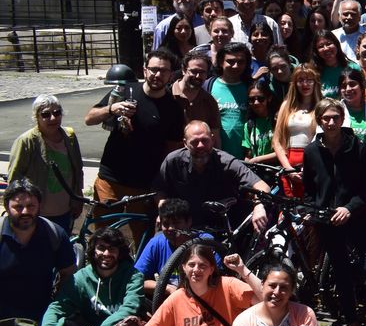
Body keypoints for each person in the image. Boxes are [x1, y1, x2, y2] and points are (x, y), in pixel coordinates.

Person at [84, 49, 185, 240]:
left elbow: (171, 152)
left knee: (142, 239)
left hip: (144, 186)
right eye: (153, 69)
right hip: (111, 179)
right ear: (145, 70)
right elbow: (89, 119)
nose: (157, 75)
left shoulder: (173, 108)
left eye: (163, 71)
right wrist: (112, 108)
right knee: (102, 236)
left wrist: (161, 188)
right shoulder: (125, 91)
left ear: (171, 75)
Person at [302, 99, 366, 326]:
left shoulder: (358, 146)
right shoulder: (312, 151)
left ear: (343, 119)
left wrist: (349, 208)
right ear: (319, 121)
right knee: (340, 269)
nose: (331, 122)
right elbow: (310, 189)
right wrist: (311, 211)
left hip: (356, 216)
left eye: (335, 117)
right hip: (327, 219)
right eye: (326, 118)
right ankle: (350, 318)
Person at [155, 121, 271, 233]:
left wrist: (259, 206)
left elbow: (262, 186)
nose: (200, 146)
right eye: (195, 142)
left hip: (217, 229)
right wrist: (164, 212)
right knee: (157, 241)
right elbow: (160, 190)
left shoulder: (227, 161)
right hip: (182, 226)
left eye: (205, 140)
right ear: (185, 143)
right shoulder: (173, 161)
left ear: (212, 139)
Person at [0, 178, 78, 325]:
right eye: (18, 207)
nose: (25, 212)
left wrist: (56, 309)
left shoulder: (54, 234)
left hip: (39, 318)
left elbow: (68, 274)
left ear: (39, 206)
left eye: (31, 206)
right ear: (7, 207)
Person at [9, 94, 83, 234]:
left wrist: (78, 198)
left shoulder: (70, 137)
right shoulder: (26, 141)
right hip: (38, 214)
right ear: (36, 117)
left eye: (57, 113)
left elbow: (78, 170)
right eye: (45, 114)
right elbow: (15, 179)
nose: (53, 118)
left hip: (65, 212)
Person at [272, 63, 321, 195]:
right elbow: (276, 141)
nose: (305, 84)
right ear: (295, 83)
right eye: (300, 80)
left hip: (314, 163)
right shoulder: (286, 106)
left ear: (315, 82)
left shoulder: (322, 106)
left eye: (309, 79)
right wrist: (288, 168)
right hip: (289, 162)